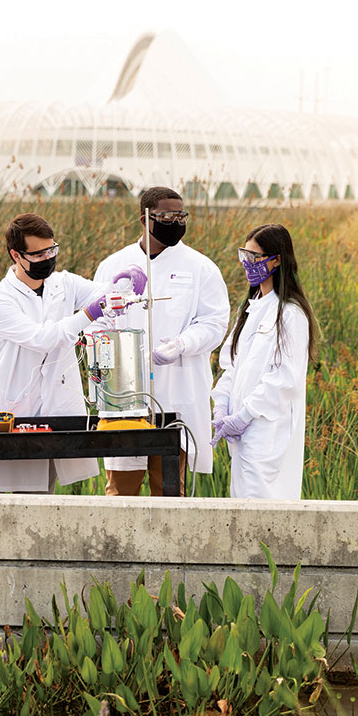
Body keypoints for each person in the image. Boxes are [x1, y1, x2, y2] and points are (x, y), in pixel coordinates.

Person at [0, 212, 146, 493]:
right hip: (11, 407)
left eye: (51, 250)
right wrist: (89, 314)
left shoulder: (63, 283)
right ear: (16, 256)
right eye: (38, 254)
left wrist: (125, 284)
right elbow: (44, 338)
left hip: (52, 410)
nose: (48, 259)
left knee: (42, 498)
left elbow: (103, 292)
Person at [94, 187, 230, 496]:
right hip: (124, 394)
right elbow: (98, 317)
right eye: (166, 216)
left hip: (176, 389)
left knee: (169, 489)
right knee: (120, 491)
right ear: (144, 218)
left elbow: (214, 322)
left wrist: (182, 344)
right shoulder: (113, 265)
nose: (176, 222)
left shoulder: (201, 268)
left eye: (181, 215)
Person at [211, 223, 316, 499]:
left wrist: (245, 415)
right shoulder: (250, 308)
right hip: (243, 433)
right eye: (244, 255)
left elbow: (285, 379)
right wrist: (222, 405)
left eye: (255, 257)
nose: (248, 264)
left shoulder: (290, 314)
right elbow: (231, 365)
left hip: (268, 432)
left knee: (264, 505)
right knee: (242, 503)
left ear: (277, 260)